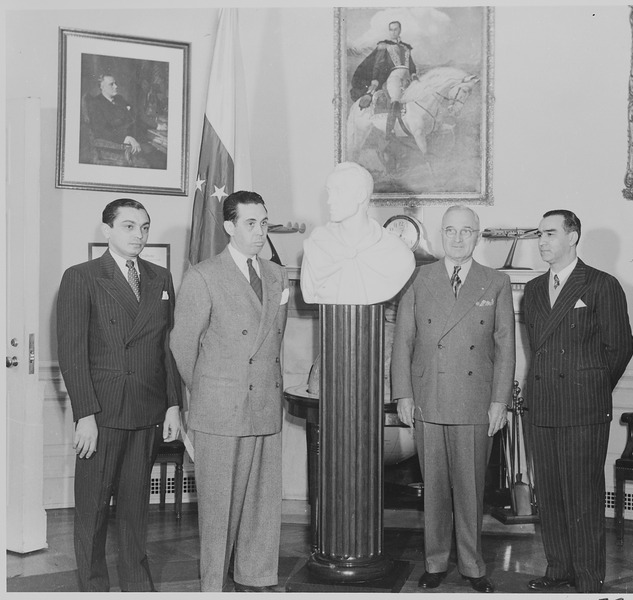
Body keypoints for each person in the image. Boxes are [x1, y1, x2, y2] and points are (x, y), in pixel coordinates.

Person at [56, 198, 182, 592]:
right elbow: (72, 352)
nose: (139, 235)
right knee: (92, 512)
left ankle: (137, 587)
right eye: (129, 226)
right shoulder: (82, 276)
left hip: (147, 410)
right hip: (102, 413)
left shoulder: (160, 277)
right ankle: (94, 587)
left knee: (135, 511)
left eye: (144, 227)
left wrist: (174, 404)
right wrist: (85, 415)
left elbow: (168, 347)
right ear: (107, 230)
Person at [391, 205, 515, 593]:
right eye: (450, 231)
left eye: (466, 231)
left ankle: (473, 565)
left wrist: (500, 402)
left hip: (476, 401)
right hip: (429, 396)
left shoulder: (495, 282)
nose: (458, 238)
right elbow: (402, 342)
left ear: (477, 236)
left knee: (470, 488)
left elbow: (506, 347)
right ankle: (435, 561)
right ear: (440, 235)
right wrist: (403, 394)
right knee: (435, 487)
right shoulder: (417, 278)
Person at [169, 190, 289, 592]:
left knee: (262, 504)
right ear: (229, 227)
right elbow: (182, 346)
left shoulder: (276, 274)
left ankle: (255, 578)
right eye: (250, 223)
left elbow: (275, 339)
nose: (260, 232)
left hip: (266, 406)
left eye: (264, 222)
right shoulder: (204, 275)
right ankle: (213, 587)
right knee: (219, 509)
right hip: (220, 410)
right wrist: (210, 390)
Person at [522, 209, 633, 594]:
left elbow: (620, 347)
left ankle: (587, 580)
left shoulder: (601, 284)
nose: (542, 241)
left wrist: (593, 387)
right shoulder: (535, 289)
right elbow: (537, 349)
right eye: (540, 234)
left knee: (583, 495)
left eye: (550, 233)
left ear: (573, 237)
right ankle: (558, 570)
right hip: (542, 406)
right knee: (549, 493)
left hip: (584, 407)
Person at [301, 161, 415, 305]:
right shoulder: (317, 245)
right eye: (329, 192)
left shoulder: (397, 252)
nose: (329, 201)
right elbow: (309, 294)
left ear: (360, 195)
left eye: (338, 191)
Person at [351, 21, 418, 137]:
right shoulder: (384, 45)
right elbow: (378, 64)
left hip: (407, 78)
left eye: (395, 29)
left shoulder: (406, 47)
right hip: (394, 77)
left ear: (400, 30)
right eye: (391, 30)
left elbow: (411, 65)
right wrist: (375, 80)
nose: (393, 32)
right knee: (395, 97)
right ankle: (390, 131)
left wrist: (414, 75)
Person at [84, 74, 165, 169]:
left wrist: (156, 126)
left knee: (162, 151)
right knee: (159, 160)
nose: (116, 86)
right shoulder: (95, 104)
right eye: (111, 84)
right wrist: (126, 138)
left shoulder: (119, 99)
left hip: (139, 139)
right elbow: (101, 131)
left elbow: (134, 119)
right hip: (122, 146)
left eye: (116, 83)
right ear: (102, 87)